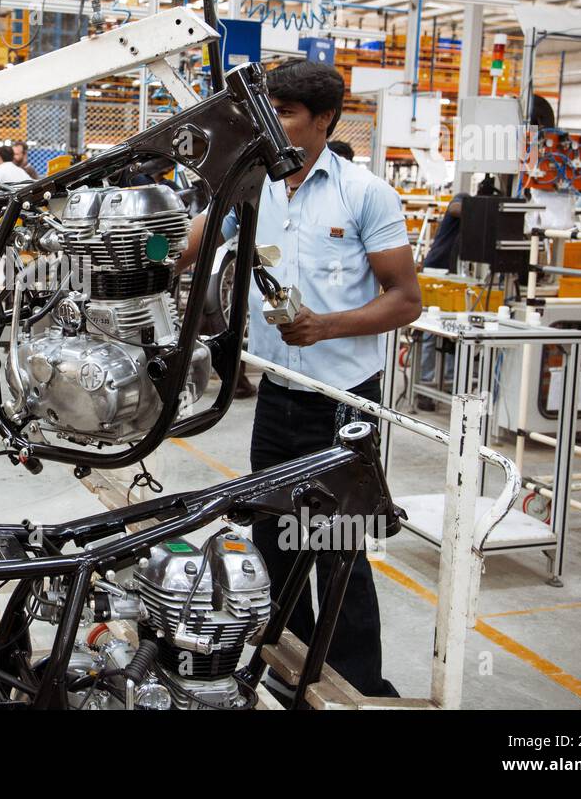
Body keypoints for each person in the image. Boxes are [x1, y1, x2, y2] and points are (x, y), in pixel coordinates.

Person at [179, 59, 421, 700]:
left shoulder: (365, 193)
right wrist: (125, 243)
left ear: (325, 120)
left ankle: (353, 684)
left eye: (285, 113)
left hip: (344, 402)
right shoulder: (256, 184)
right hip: (279, 397)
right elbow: (191, 244)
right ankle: (292, 671)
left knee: (340, 551)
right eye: (268, 111)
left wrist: (327, 326)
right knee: (275, 540)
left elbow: (405, 299)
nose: (273, 125)